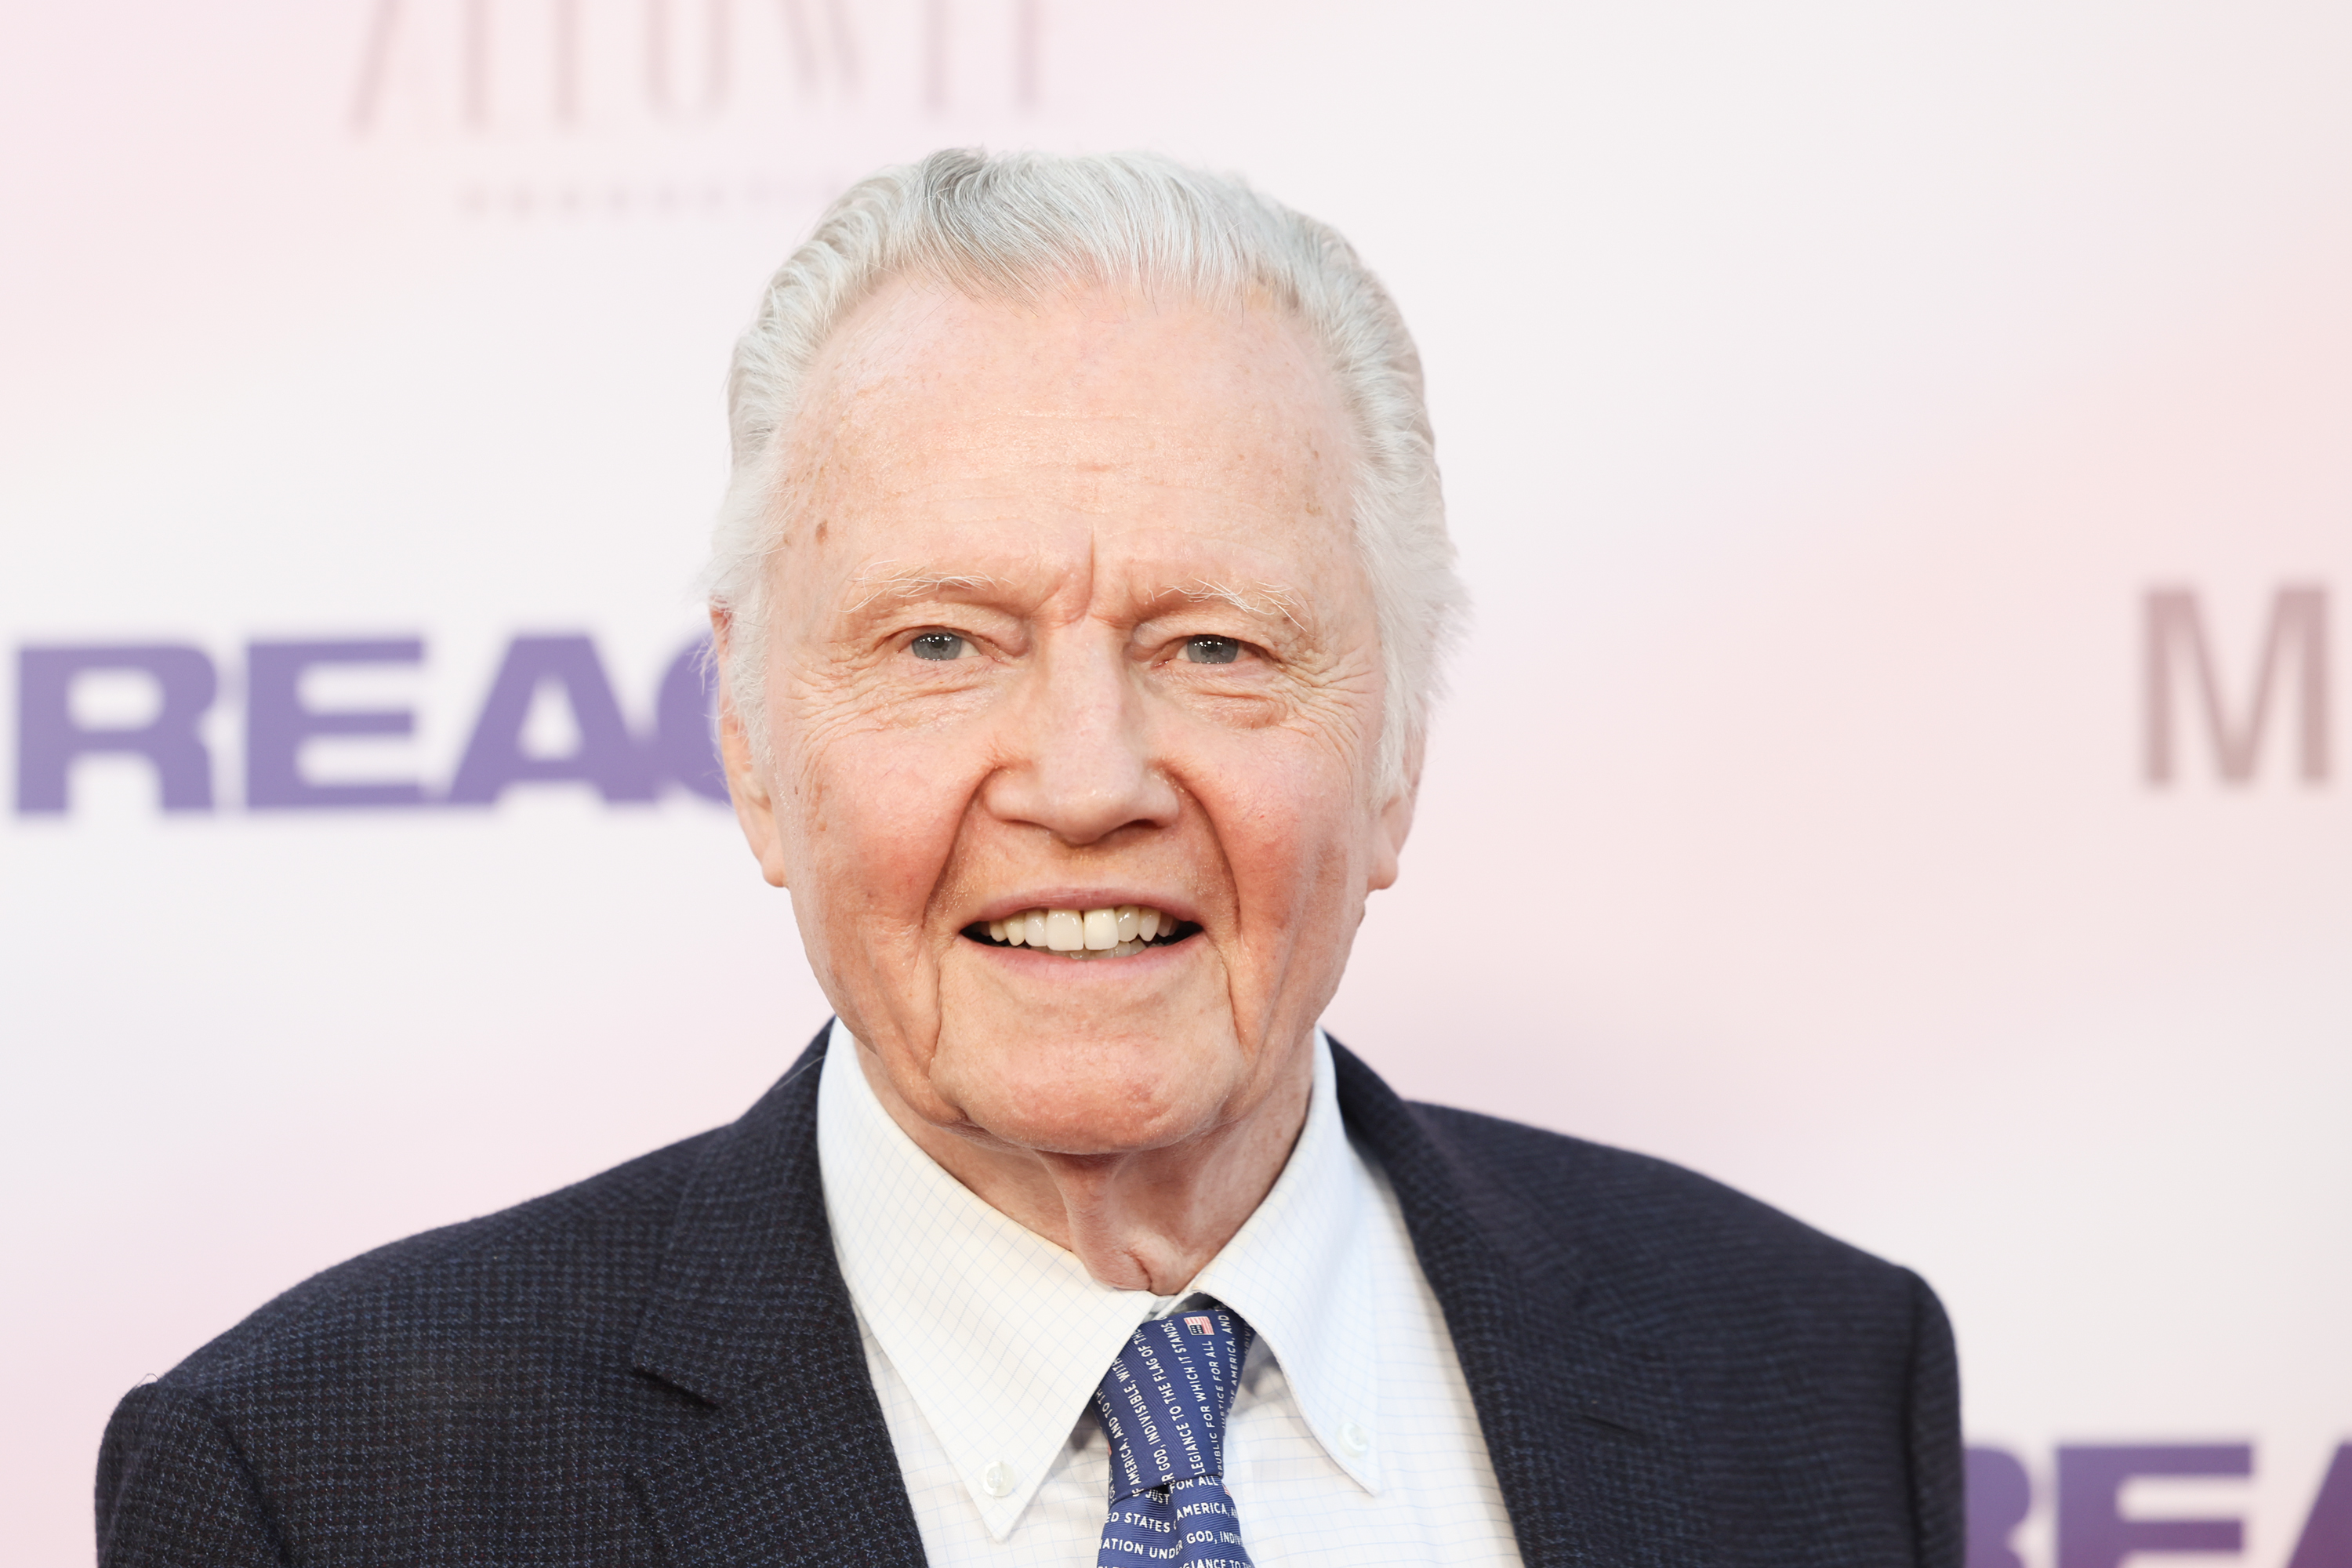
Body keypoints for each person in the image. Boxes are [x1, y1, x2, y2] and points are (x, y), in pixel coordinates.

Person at [96, 150, 1962, 1567]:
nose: (1088, 780)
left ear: (1393, 748)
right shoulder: (320, 1480)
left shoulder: (1804, 1377)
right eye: (942, 644)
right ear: (752, 741)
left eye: (1216, 644)